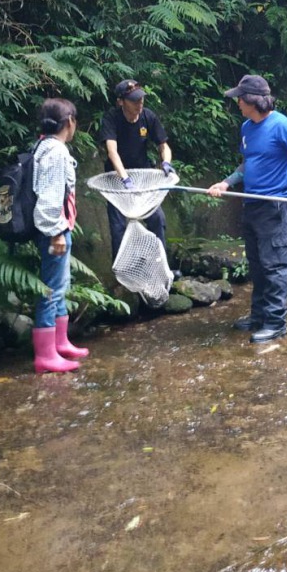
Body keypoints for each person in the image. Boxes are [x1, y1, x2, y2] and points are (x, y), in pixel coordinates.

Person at [207, 74, 287, 344]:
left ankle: (275, 323)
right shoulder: (247, 128)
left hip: (274, 206)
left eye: (239, 99)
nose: (236, 103)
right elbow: (248, 164)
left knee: (275, 266)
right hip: (251, 205)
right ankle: (258, 317)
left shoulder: (282, 126)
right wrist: (226, 183)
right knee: (257, 266)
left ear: (251, 101)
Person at [31, 97, 89, 373]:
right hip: (54, 229)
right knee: (51, 290)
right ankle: (45, 354)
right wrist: (56, 233)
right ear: (69, 122)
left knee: (60, 285)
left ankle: (60, 342)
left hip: (58, 226)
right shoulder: (56, 152)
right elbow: (51, 196)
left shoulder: (43, 146)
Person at [98, 79, 175, 260]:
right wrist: (125, 178)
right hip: (116, 181)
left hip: (143, 178)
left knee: (157, 219)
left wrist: (166, 163)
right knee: (118, 226)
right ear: (121, 102)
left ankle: (160, 263)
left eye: (141, 99)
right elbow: (112, 152)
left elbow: (163, 145)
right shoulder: (112, 118)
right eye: (134, 100)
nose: (139, 103)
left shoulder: (148, 116)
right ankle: (122, 271)